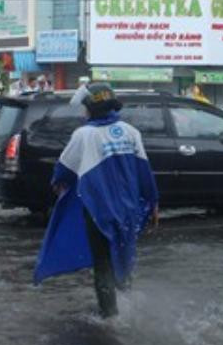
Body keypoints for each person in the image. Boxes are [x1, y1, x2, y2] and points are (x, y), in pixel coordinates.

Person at [34, 83, 159, 318]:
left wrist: (57, 183)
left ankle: (109, 317)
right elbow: (145, 172)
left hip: (99, 210)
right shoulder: (131, 132)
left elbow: (64, 168)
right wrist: (153, 203)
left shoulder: (84, 134)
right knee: (124, 253)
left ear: (91, 108)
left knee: (102, 262)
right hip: (128, 209)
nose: (83, 113)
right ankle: (127, 301)